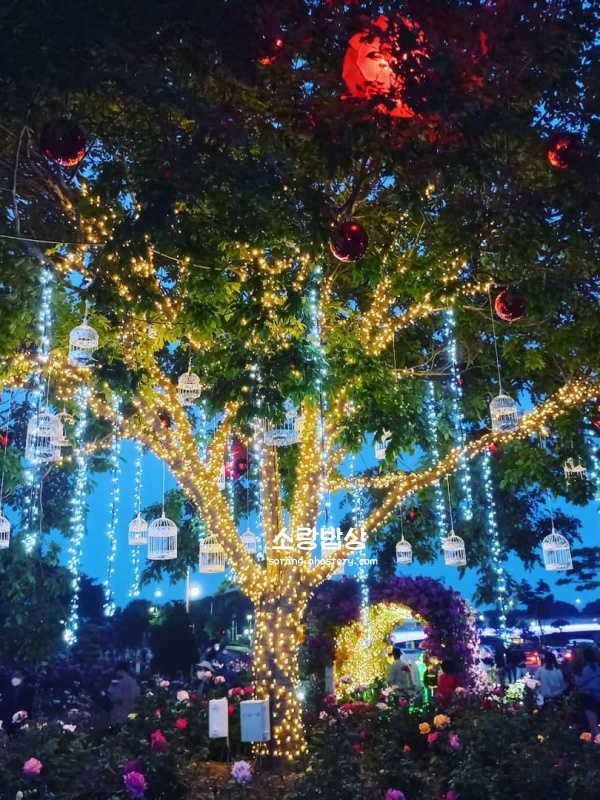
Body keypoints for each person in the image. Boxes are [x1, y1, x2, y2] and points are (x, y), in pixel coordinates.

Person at [575, 647, 600, 736]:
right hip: (597, 696)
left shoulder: (588, 669)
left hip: (589, 698)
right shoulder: (598, 667)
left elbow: (579, 682)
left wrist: (574, 676)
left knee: (593, 725)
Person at [0, 669, 34, 734]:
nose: (15, 678)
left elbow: (30, 706)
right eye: (13, 676)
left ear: (23, 677)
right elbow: (4, 705)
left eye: (18, 676)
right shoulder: (8, 689)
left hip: (23, 722)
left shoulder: (29, 690)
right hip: (7, 721)